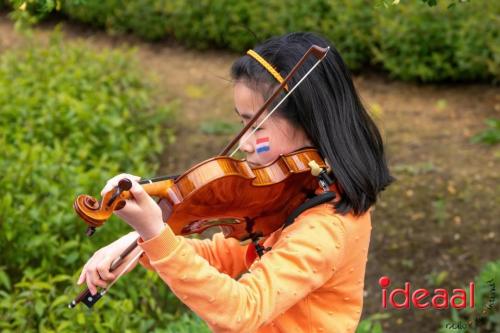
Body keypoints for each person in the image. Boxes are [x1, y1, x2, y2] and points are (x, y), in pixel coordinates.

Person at [77, 32, 393, 333]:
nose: (247, 144)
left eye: (257, 126)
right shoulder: (300, 191)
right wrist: (139, 246)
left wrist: (156, 233)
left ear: (311, 122)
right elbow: (232, 254)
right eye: (242, 124)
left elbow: (241, 312)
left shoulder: (325, 227)